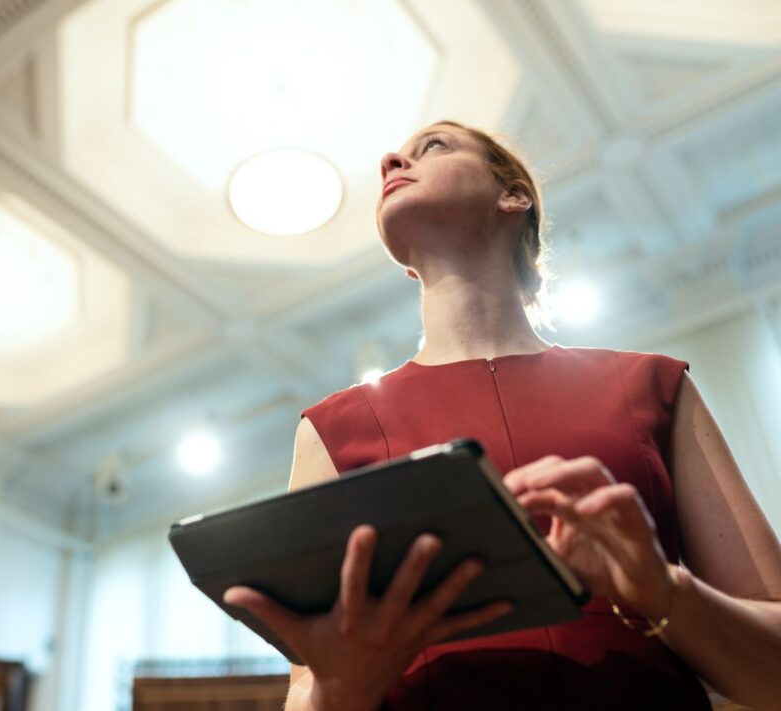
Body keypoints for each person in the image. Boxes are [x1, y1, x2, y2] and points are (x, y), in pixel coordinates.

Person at [223, 121, 781, 709]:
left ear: (513, 196)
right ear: (405, 268)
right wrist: (341, 687)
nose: (391, 159)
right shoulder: (332, 430)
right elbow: (307, 682)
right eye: (395, 157)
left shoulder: (654, 385)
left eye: (432, 146)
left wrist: (662, 591)